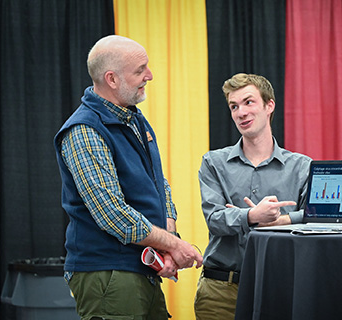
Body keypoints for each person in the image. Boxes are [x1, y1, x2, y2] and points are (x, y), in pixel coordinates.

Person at [54, 35, 203, 320]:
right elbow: (112, 214)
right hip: (108, 275)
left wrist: (168, 242)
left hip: (139, 269)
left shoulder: (134, 119)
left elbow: (159, 185)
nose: (149, 75)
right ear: (111, 78)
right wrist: (174, 245)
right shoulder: (84, 130)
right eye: (140, 70)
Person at [194, 73, 312, 319]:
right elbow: (215, 219)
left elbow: (316, 219)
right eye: (234, 106)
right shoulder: (213, 162)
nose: (241, 113)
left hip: (281, 288)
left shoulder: (301, 166)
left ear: (270, 106)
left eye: (249, 102)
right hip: (221, 292)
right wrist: (251, 216)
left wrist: (283, 220)